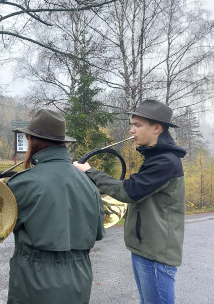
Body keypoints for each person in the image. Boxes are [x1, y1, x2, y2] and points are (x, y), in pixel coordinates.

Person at [73, 99, 186, 304]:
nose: (132, 130)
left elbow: (129, 191)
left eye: (137, 125)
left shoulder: (166, 162)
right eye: (132, 125)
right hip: (144, 249)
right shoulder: (156, 157)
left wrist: (89, 171)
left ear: (157, 128)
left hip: (156, 254)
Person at [0, 108, 105, 304]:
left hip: (35, 282)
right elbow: (98, 233)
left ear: (32, 141)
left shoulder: (23, 183)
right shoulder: (89, 183)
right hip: (80, 281)